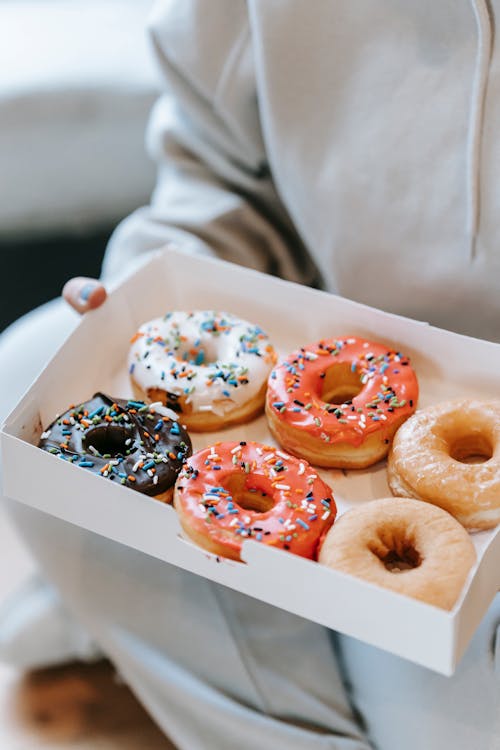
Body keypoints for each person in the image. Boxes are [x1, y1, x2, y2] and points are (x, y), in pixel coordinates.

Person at [1, 2, 500, 748]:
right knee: (25, 364)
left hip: (450, 509)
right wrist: (146, 286)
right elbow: (220, 173)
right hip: (321, 369)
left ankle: (120, 614)